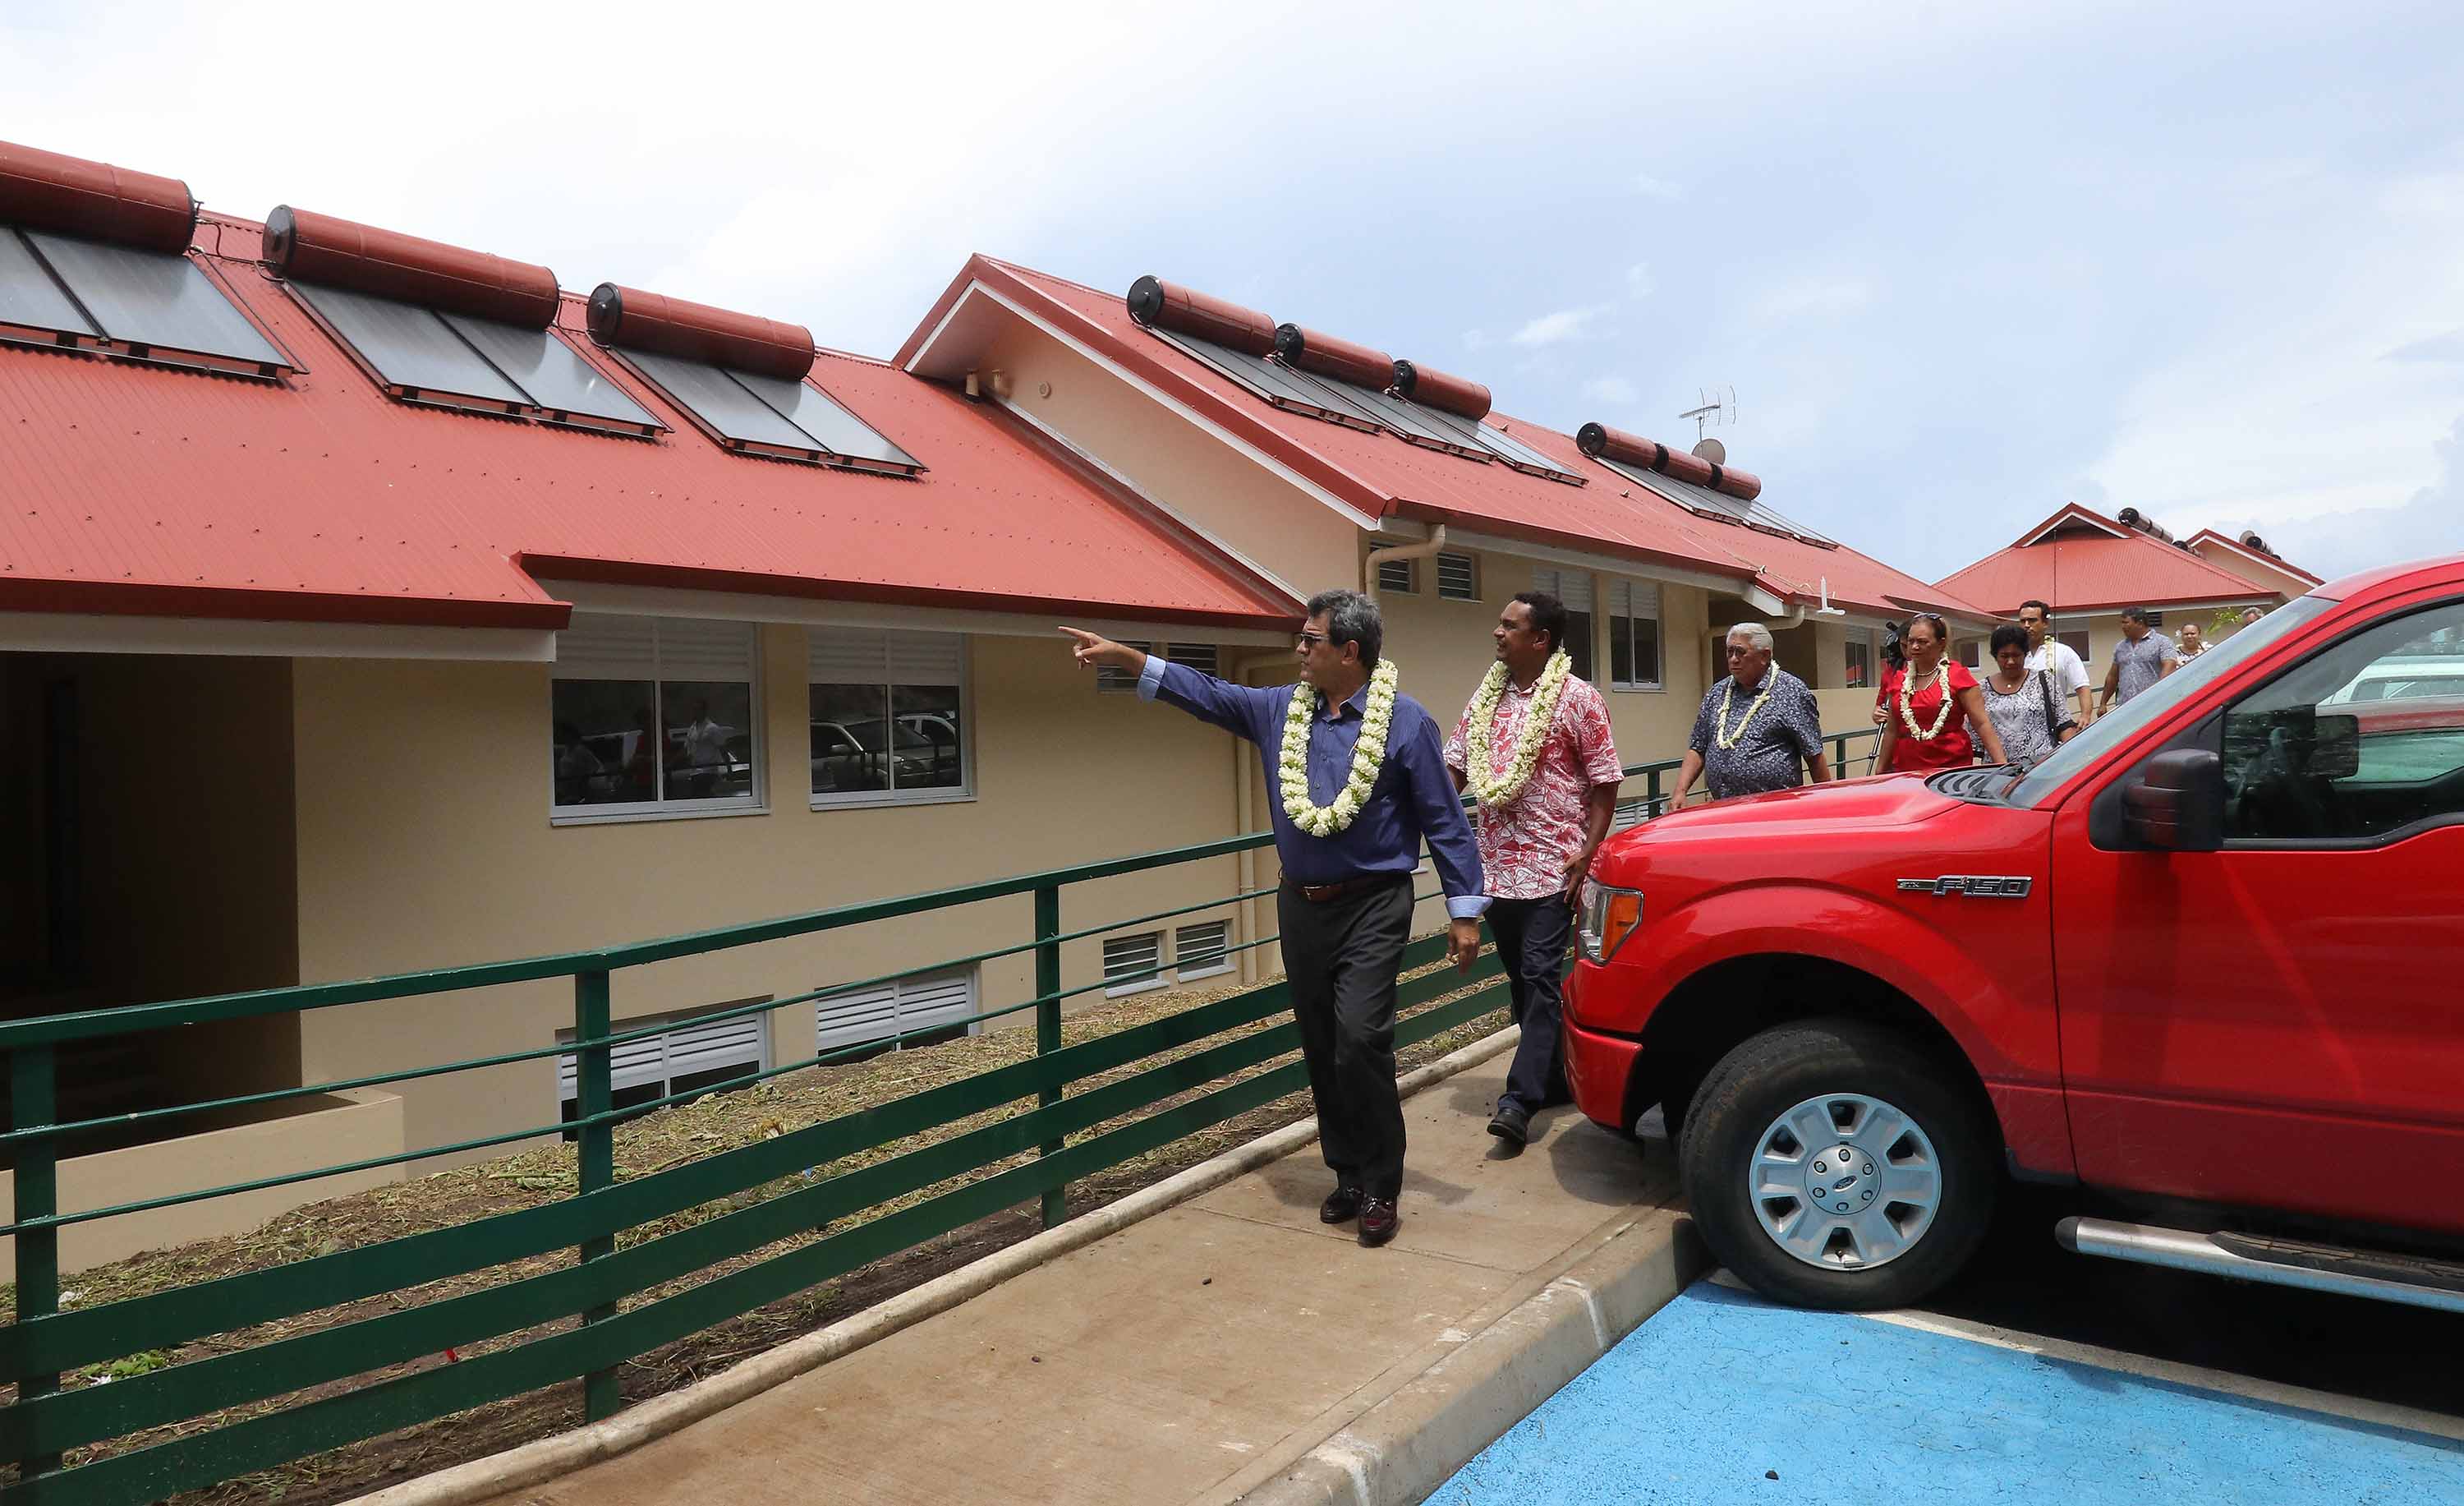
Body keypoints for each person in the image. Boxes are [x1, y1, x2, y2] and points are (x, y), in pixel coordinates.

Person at [1061, 592, 1485, 1250]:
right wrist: (1131, 659)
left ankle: (1381, 1183)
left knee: (1359, 1037)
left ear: (1350, 651)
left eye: (1310, 640)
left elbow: (1444, 820)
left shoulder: (1406, 723)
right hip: (1302, 905)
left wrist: (1464, 912)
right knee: (1320, 1042)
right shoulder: (1279, 711)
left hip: (1375, 902)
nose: (1298, 649)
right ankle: (1346, 1172)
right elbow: (1207, 693)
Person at [1443, 593, 1622, 1150]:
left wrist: (1589, 850)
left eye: (1508, 625)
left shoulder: (1578, 698)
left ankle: (1519, 1102)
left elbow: (1605, 779)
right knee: (1523, 983)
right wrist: (1438, 821)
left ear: (1540, 638)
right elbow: (1456, 763)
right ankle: (1554, 1078)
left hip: (1553, 866)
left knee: (1542, 977)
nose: (1497, 632)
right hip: (1494, 871)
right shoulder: (1487, 694)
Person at [1667, 623, 1833, 806]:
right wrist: (1680, 792)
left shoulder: (1792, 692)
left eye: (1740, 652)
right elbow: (1698, 747)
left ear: (1765, 656)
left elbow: (1814, 755)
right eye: (1730, 652)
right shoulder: (1717, 693)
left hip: (1775, 809)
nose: (1733, 659)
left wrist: (1826, 804)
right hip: (1724, 807)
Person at [1876, 614, 2009, 772]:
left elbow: (1981, 724)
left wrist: (2002, 766)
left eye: (1922, 642)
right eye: (1911, 641)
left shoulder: (1958, 676)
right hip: (1907, 770)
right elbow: (1892, 729)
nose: (1914, 647)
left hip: (1950, 770)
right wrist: (1880, 771)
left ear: (1941, 643)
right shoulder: (1899, 679)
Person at [1979, 624, 2076, 764]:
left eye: (2016, 655)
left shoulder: (2044, 680)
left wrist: (2073, 760)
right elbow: (1976, 739)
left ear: (2025, 654)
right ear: (1995, 656)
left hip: (2042, 768)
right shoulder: (1981, 689)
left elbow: (2064, 723)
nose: (2010, 662)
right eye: (2004, 656)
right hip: (1997, 772)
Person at [2017, 600, 2094, 728]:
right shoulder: (2014, 656)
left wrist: (2085, 716)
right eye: (2023, 621)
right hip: (2022, 726)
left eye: (2032, 621)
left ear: (2045, 623)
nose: (2026, 625)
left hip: (2056, 724)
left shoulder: (2063, 652)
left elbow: (2082, 687)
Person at [2099, 606, 2181, 713]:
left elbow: (2169, 667)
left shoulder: (2162, 642)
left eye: (2126, 623)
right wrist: (2103, 703)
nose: (2122, 627)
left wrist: (2158, 693)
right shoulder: (2120, 647)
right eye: (2121, 623)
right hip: (2124, 707)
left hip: (2152, 706)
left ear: (2140, 623)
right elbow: (2113, 677)